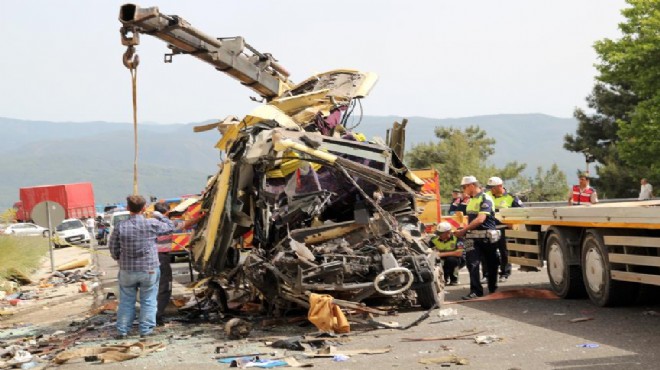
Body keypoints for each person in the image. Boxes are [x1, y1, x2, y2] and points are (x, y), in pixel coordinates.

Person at [109, 195, 174, 339]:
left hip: (127, 270)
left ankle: (122, 330)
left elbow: (113, 247)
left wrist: (118, 258)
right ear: (144, 208)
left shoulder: (120, 226)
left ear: (127, 208)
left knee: (126, 300)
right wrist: (158, 215)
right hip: (149, 269)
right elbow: (170, 227)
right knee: (149, 300)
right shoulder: (151, 223)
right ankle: (145, 331)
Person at [453, 176, 499, 300]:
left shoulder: (485, 198)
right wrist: (463, 229)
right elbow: (470, 219)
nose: (463, 190)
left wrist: (463, 230)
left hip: (486, 237)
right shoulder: (471, 200)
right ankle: (476, 291)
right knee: (472, 264)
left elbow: (480, 219)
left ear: (472, 185)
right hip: (473, 237)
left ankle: (492, 288)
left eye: (464, 187)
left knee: (491, 264)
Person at [486, 176, 524, 282]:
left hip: (504, 228)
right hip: (490, 228)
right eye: (490, 188)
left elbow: (521, 211)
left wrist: (513, 223)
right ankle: (488, 274)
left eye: (493, 187)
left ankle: (504, 273)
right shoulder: (487, 195)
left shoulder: (511, 197)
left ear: (500, 186)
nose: (491, 190)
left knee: (504, 252)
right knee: (489, 252)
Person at [153, 202, 175, 326]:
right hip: (162, 258)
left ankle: (151, 315)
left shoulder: (149, 222)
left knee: (153, 287)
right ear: (166, 212)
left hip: (150, 259)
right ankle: (157, 316)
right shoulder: (165, 224)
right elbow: (178, 225)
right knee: (164, 287)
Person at [427, 221, 465, 286]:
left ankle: (454, 279)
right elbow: (429, 250)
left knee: (451, 260)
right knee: (439, 261)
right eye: (438, 233)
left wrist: (440, 254)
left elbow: (459, 253)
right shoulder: (434, 240)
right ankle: (444, 278)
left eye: (441, 233)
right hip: (441, 260)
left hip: (457, 260)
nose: (439, 235)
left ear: (448, 232)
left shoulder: (458, 239)